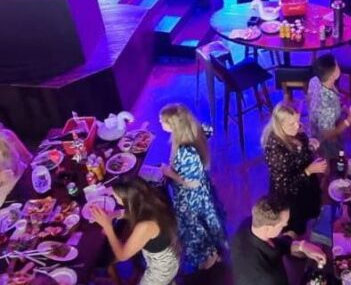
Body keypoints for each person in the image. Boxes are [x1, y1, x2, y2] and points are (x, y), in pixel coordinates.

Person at [159, 103, 226, 271]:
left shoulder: (185, 152)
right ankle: (214, 250)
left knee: (194, 227)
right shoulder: (194, 131)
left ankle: (210, 256)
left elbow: (192, 182)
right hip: (202, 190)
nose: (160, 122)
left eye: (163, 121)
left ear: (173, 125)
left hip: (191, 197)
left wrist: (169, 173)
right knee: (204, 221)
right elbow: (209, 130)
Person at [90, 178, 180, 285]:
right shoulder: (151, 202)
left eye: (116, 197)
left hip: (162, 269)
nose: (115, 200)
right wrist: (115, 214)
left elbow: (122, 256)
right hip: (170, 256)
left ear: (129, 201)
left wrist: (108, 227)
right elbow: (133, 212)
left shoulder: (145, 226)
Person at [262, 102, 326, 237]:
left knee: (309, 212)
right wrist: (308, 171)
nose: (297, 126)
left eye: (298, 120)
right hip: (291, 196)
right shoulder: (275, 149)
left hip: (305, 184)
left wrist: (309, 146)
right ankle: (297, 246)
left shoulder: (293, 130)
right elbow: (284, 184)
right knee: (296, 226)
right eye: (292, 124)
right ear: (279, 125)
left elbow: (300, 149)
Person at [231, 195, 326, 285]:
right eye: (282, 225)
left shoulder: (250, 224)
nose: (286, 225)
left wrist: (302, 245)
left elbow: (275, 245)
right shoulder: (267, 278)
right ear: (267, 229)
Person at [307, 53, 351, 159]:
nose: (339, 65)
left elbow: (309, 99)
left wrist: (343, 108)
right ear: (333, 75)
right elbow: (328, 135)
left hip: (319, 125)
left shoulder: (315, 80)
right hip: (325, 142)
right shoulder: (326, 107)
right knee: (335, 161)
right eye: (337, 65)